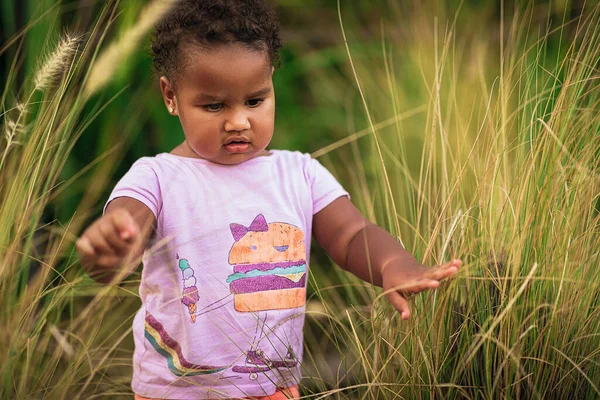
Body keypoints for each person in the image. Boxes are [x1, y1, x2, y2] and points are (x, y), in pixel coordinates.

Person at [76, 1, 462, 399]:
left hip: (272, 387)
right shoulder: (158, 176)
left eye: (255, 101)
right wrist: (112, 245)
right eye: (214, 105)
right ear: (170, 95)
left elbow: (351, 233)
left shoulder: (299, 173)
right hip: (177, 390)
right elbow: (128, 222)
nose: (238, 121)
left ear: (271, 82)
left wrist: (391, 264)